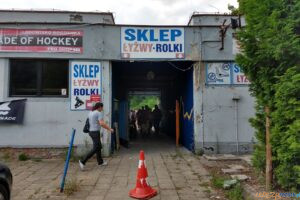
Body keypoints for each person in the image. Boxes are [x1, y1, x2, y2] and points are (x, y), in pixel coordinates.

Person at [79, 102, 114, 170]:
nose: (102, 109)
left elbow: (94, 122)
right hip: (95, 132)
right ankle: (83, 161)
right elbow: (101, 123)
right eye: (102, 107)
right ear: (99, 107)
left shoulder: (91, 112)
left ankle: (100, 162)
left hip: (91, 132)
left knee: (98, 147)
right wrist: (109, 129)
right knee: (96, 148)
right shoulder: (98, 113)